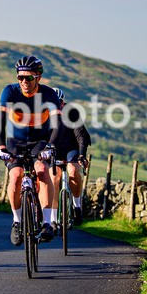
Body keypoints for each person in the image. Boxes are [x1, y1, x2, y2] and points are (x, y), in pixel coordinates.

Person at [0, 55, 63, 245]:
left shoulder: (49, 94)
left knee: (42, 171)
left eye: (29, 78)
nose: (24, 81)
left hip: (40, 141)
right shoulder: (10, 92)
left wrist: (50, 146)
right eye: (20, 77)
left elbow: (58, 125)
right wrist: (1, 146)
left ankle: (47, 223)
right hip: (15, 141)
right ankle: (17, 221)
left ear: (38, 77)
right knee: (16, 176)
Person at [51, 87, 91, 227]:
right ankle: (53, 219)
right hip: (53, 149)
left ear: (63, 102)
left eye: (59, 102)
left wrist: (81, 154)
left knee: (73, 171)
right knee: (54, 179)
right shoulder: (44, 114)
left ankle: (77, 205)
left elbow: (81, 134)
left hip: (70, 148)